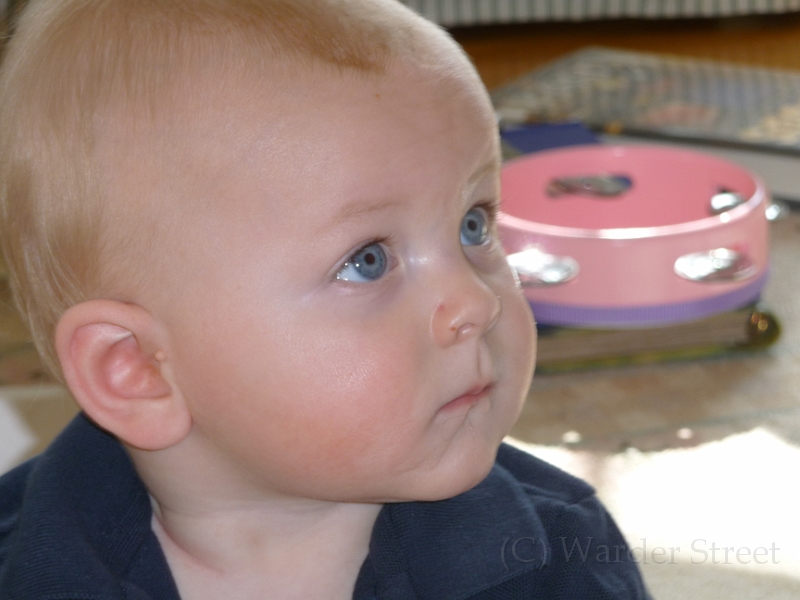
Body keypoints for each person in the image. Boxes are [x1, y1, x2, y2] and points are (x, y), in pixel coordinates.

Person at [0, 1, 651, 598]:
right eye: (367, 261)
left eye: (473, 224)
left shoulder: (559, 563)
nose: (475, 303)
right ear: (138, 369)